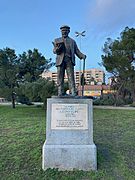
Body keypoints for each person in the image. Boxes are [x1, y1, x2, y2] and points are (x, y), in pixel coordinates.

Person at [53, 25, 86, 96]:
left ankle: (73, 92)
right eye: (62, 31)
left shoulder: (72, 41)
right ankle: (60, 92)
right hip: (60, 61)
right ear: (61, 31)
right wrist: (57, 49)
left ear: (68, 31)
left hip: (69, 60)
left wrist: (82, 55)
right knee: (60, 77)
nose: (64, 32)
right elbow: (54, 51)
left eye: (65, 31)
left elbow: (76, 51)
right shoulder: (57, 40)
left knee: (71, 77)